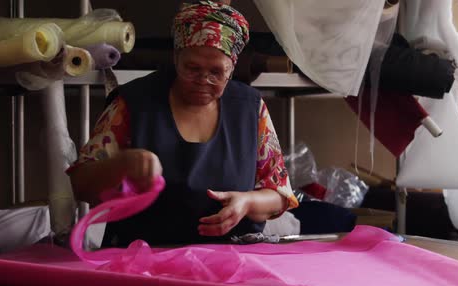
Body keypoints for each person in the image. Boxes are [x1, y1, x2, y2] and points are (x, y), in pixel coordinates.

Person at [67, 0, 298, 246]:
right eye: (192, 68)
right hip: (141, 262)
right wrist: (122, 165)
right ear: (176, 57)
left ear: (232, 68)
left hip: (231, 261)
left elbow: (279, 194)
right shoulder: (132, 103)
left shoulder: (251, 109)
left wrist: (247, 202)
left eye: (216, 72)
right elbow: (81, 185)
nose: (203, 80)